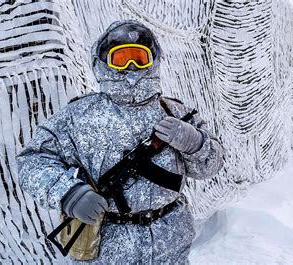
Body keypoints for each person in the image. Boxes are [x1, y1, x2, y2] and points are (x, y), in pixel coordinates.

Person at [17, 20, 224, 263]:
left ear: (153, 60)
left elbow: (211, 167)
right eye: (121, 58)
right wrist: (70, 194)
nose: (131, 67)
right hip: (108, 249)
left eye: (139, 57)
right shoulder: (79, 116)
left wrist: (196, 143)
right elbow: (32, 161)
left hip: (171, 243)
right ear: (103, 63)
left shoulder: (175, 112)